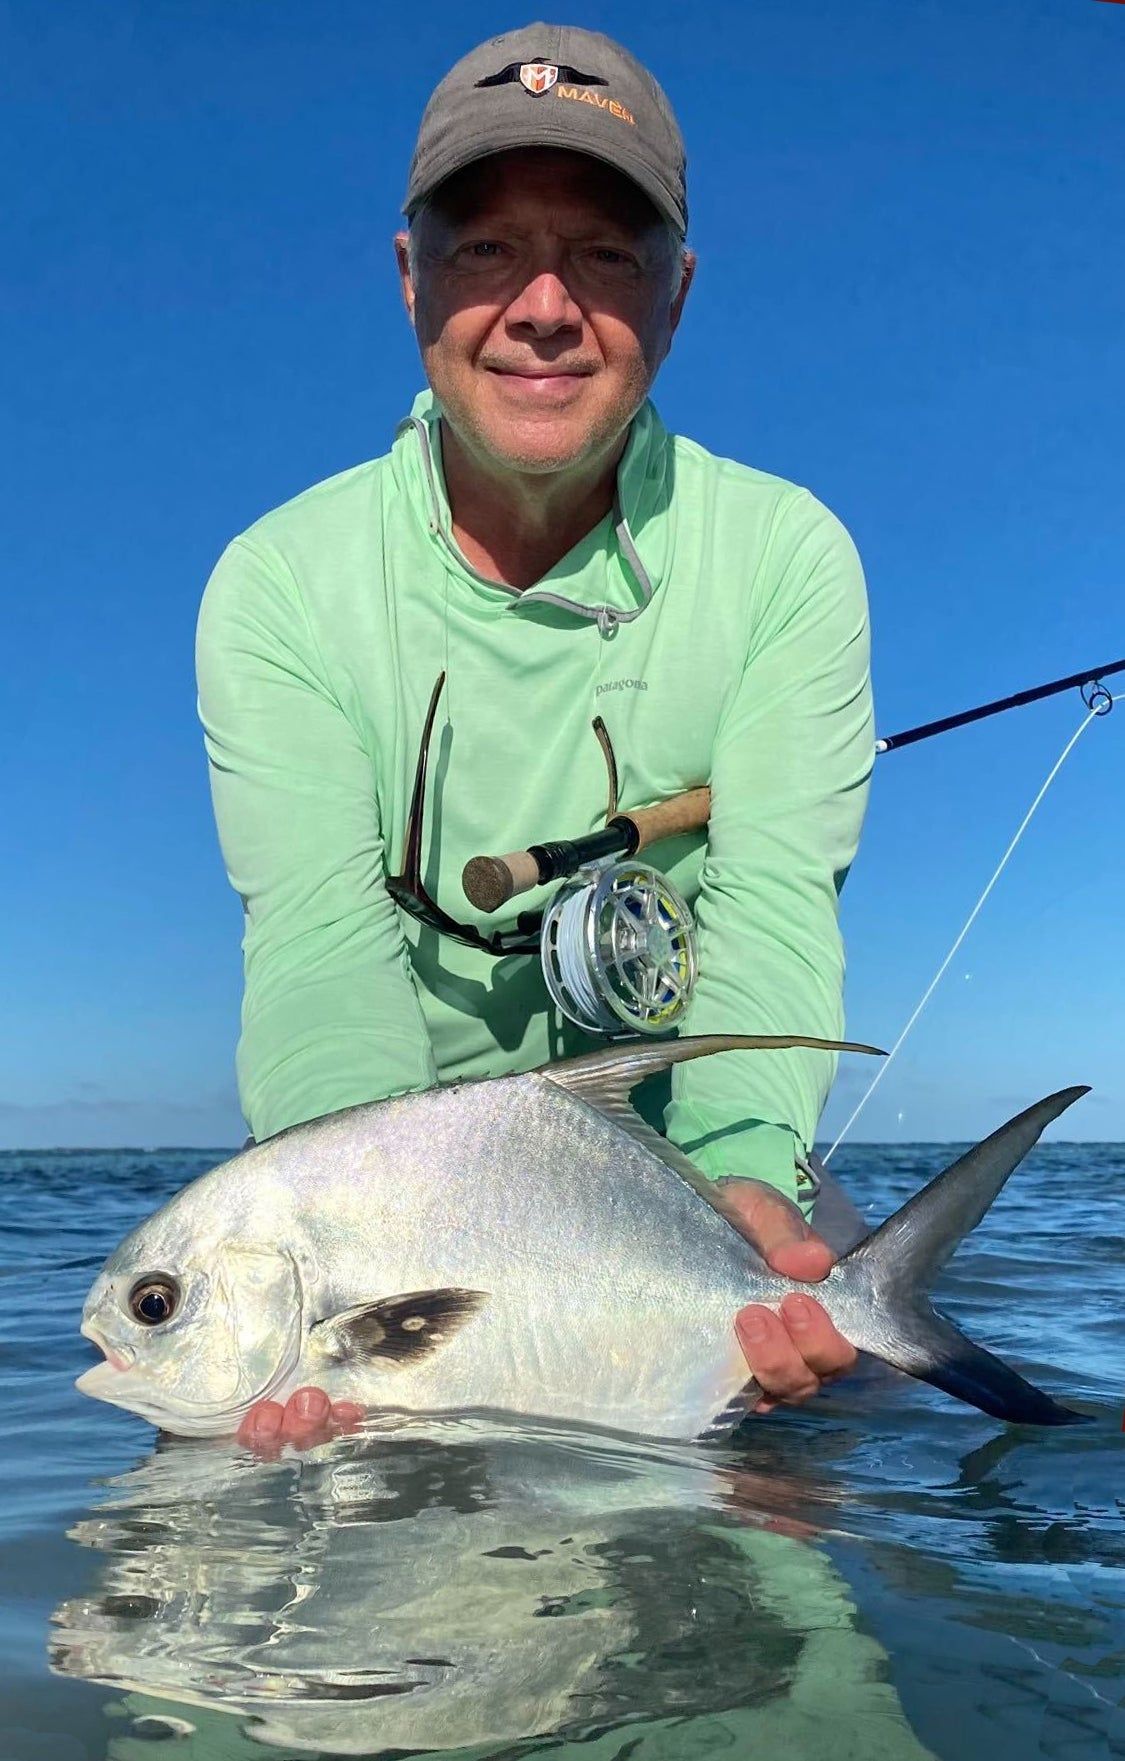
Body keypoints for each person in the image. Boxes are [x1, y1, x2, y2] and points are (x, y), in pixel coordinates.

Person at [195, 24, 875, 1451]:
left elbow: (771, 894)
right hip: (385, 1194)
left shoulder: (785, 556)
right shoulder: (277, 582)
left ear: (676, 298)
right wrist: (371, 1254)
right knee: (214, 1502)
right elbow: (317, 941)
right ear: (409, 280)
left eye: (605, 255)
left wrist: (743, 1168)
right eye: (486, 248)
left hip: (697, 1178)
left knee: (811, 1487)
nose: (544, 307)